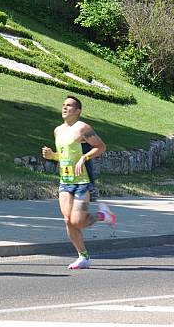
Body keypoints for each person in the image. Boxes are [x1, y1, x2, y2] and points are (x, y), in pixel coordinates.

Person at [42, 95, 116, 270]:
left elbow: (101, 147)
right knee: (68, 220)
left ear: (78, 111)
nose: (64, 108)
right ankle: (83, 256)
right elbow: (63, 155)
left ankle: (103, 215)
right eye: (63, 105)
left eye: (69, 106)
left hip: (82, 182)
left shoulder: (82, 128)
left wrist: (84, 157)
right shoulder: (58, 130)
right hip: (65, 181)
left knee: (78, 221)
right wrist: (52, 155)